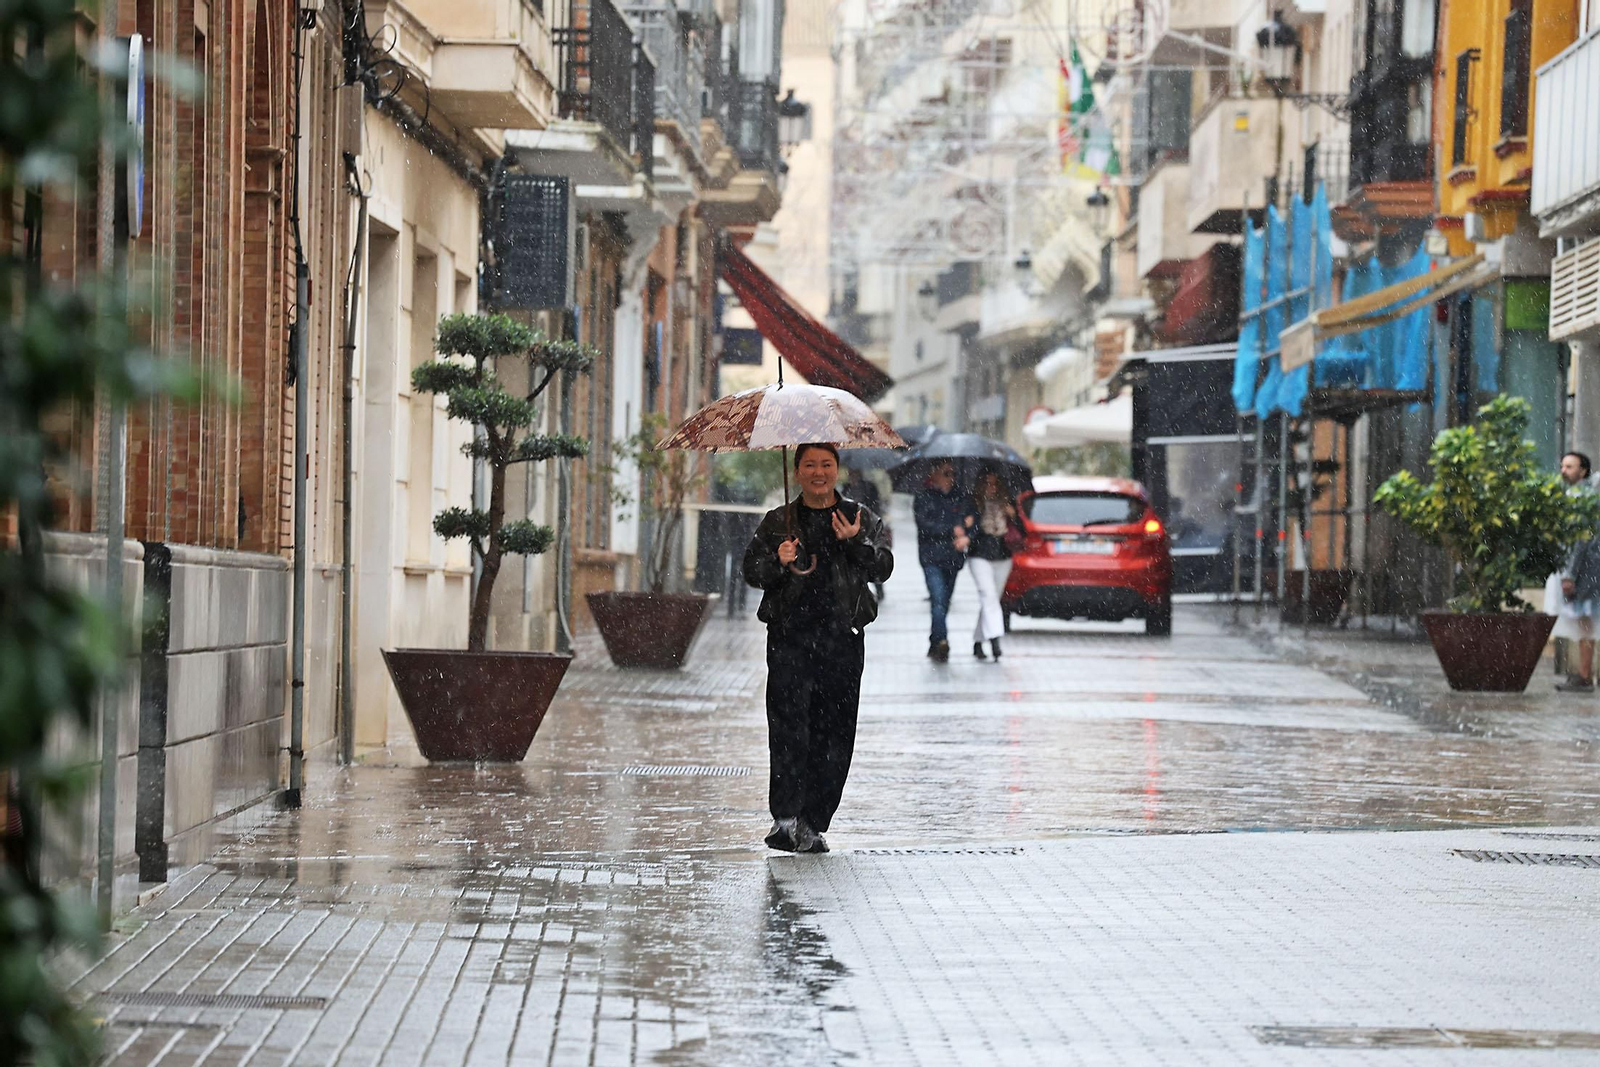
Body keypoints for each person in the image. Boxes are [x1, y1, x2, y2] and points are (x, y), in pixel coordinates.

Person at [743, 443, 894, 852]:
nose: (818, 472)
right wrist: (778, 558)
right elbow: (752, 572)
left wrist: (854, 542)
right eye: (809, 464)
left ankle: (814, 820)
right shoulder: (779, 521)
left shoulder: (858, 517)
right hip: (790, 639)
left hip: (842, 639)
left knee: (835, 732)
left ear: (837, 470)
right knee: (789, 727)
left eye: (826, 464)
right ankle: (786, 817)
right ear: (797, 470)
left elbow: (883, 566)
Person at [913, 462, 974, 662]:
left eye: (953, 473)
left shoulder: (961, 496)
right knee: (938, 599)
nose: (951, 477)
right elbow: (924, 526)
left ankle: (934, 639)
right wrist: (951, 530)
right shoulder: (923, 496)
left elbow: (971, 521)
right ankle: (942, 642)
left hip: (953, 559)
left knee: (944, 603)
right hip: (931, 557)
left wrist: (966, 535)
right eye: (946, 473)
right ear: (935, 474)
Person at [1552, 451, 1600, 692]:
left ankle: (1584, 675)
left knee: (1586, 622)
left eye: (1569, 467)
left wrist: (1570, 574)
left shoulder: (1584, 497)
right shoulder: (1575, 495)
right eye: (1563, 466)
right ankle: (1584, 674)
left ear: (1583, 471)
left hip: (1586, 571)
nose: (1564, 471)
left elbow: (1580, 540)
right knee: (1586, 622)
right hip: (1585, 569)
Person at [964, 469, 1018, 661]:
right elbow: (969, 528)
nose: (991, 487)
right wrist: (972, 519)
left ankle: (978, 641)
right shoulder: (973, 503)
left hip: (1003, 556)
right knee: (988, 596)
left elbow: (1021, 530)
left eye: (995, 483)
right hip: (980, 554)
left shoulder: (1007, 503)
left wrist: (1013, 514)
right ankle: (995, 639)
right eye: (987, 483)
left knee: (992, 599)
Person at [843, 467, 888, 601]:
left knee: (870, 556)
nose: (853, 474)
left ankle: (878, 587)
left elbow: (875, 506)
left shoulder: (869, 487)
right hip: (849, 527)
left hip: (867, 527)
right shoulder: (845, 487)